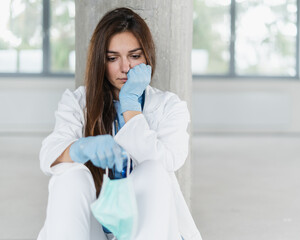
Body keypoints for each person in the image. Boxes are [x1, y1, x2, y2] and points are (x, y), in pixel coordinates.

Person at [37, 7, 202, 240]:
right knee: (69, 176)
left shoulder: (169, 106)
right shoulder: (77, 102)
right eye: (112, 58)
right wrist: (81, 148)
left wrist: (130, 105)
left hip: (147, 226)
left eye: (135, 56)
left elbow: (168, 161)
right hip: (92, 227)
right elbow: (48, 156)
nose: (125, 68)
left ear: (147, 57)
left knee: (154, 170)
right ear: (100, 62)